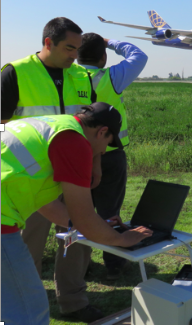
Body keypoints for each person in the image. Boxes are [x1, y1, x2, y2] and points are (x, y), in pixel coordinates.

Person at [1, 103, 153, 325]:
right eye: (107, 144)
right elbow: (83, 216)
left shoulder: (49, 125)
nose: (102, 151)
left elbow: (47, 205)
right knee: (29, 311)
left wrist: (98, 225)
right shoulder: (74, 141)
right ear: (102, 132)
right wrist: (121, 239)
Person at [0, 17, 104, 322]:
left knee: (77, 237)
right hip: (31, 179)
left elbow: (91, 123)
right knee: (27, 242)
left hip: (73, 172)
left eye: (78, 48)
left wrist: (95, 161)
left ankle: (73, 301)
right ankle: (25, 298)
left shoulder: (80, 76)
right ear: (48, 43)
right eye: (69, 48)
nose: (75, 55)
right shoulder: (15, 72)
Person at [76, 33, 148, 280]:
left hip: (75, 155)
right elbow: (139, 55)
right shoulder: (111, 77)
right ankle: (115, 263)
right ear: (103, 57)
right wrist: (112, 42)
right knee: (110, 209)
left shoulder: (66, 78)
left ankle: (77, 265)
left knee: (76, 211)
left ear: (76, 54)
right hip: (112, 153)